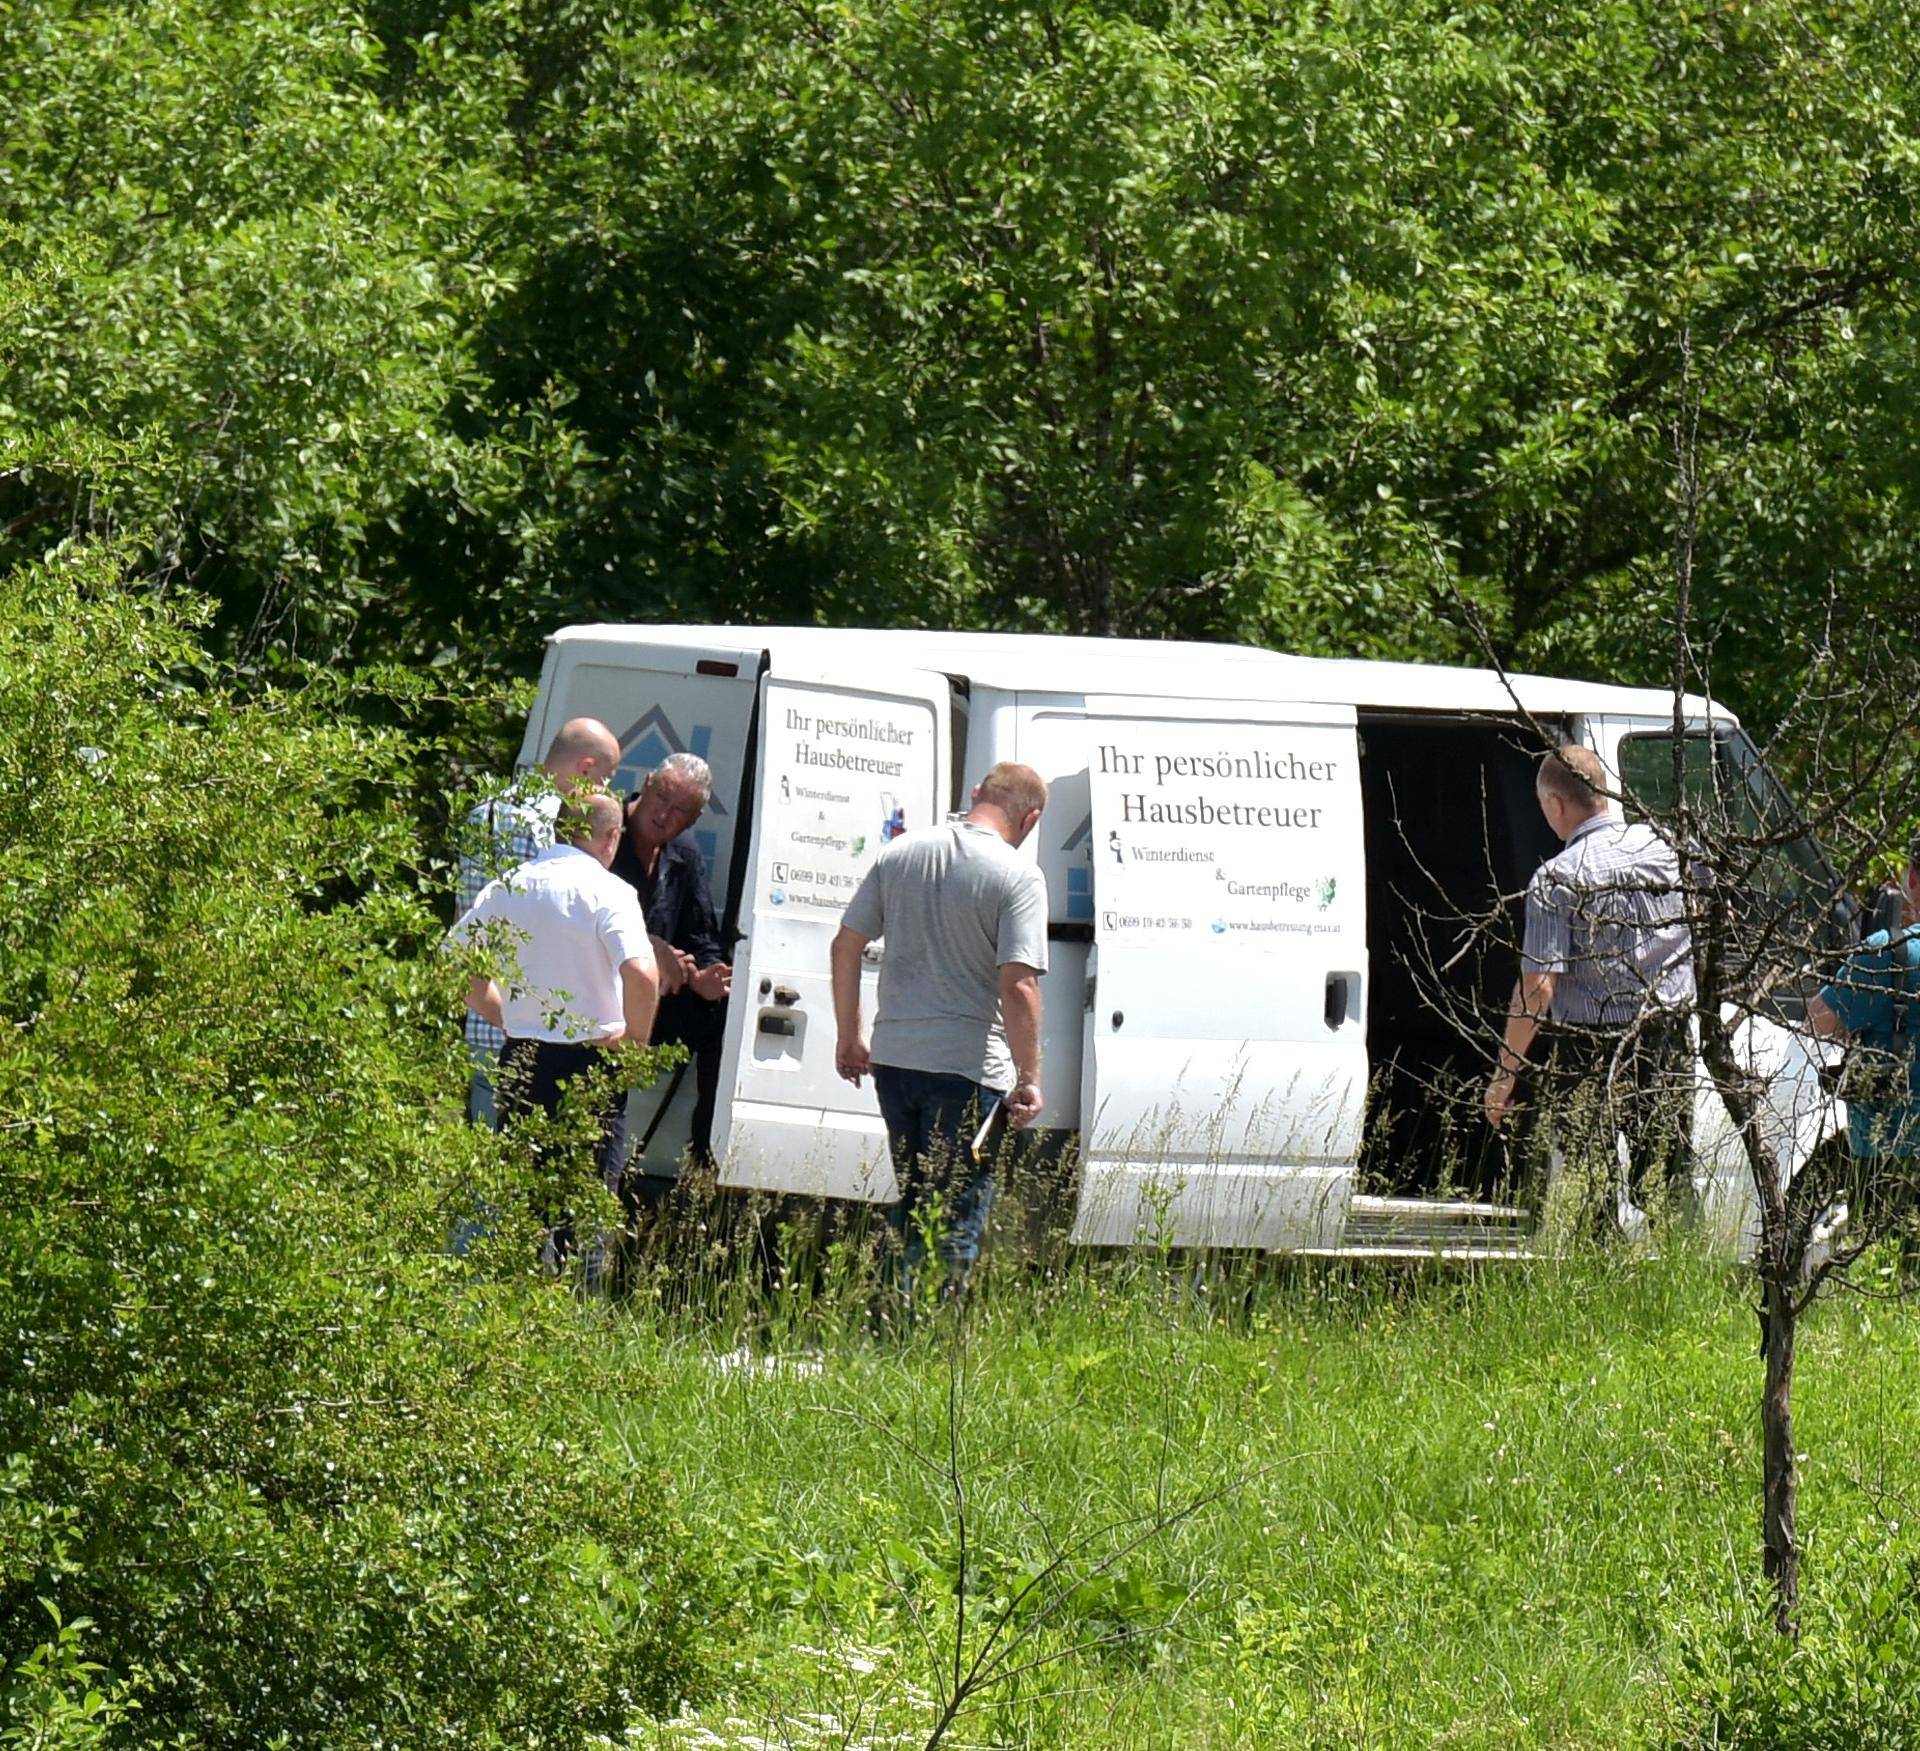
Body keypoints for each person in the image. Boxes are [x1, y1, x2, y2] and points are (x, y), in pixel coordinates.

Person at [830, 762, 1050, 1294]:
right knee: (955, 1215)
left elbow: (845, 945)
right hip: (967, 1069)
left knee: (914, 1201)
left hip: (895, 1060)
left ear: (976, 793)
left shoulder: (901, 852)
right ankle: (926, 1343)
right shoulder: (1017, 874)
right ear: (1032, 817)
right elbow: (1018, 985)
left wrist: (849, 1035)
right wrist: (1029, 1076)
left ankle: (891, 1320)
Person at [1485, 744, 1698, 1236]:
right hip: (1665, 1042)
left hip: (1588, 1050)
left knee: (1591, 1189)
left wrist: (1504, 1077)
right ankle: (1688, 1274)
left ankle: (1602, 1275)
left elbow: (1538, 989)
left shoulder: (1558, 879)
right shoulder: (1670, 851)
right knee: (1667, 1180)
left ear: (1555, 805)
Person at [453, 792, 659, 1257]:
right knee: (585, 1207)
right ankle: (575, 1312)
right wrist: (636, 1041)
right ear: (611, 838)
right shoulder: (609, 891)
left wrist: (503, 1015)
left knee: (523, 1202)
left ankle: (517, 1307)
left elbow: (455, 965)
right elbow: (643, 974)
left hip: (523, 1058)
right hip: (592, 1059)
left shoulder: (509, 886)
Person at [457, 717, 623, 1124]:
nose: (604, 792)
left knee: (485, 1163)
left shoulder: (486, 813)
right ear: (586, 769)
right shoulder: (561, 831)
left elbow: (464, 920)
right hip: (543, 1033)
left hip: (482, 1017)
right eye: (605, 779)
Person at [610, 753, 733, 1178]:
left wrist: (704, 976)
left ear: (694, 819)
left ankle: (705, 1158)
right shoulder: (605, 832)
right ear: (645, 784)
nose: (663, 813)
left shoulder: (684, 853)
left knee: (725, 1019)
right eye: (660, 796)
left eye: (679, 809)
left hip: (658, 998)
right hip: (600, 990)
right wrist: (649, 949)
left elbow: (701, 934)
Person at [1808, 841, 1920, 1237]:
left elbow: (1818, 1019)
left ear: (1912, 880)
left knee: (1884, 1269)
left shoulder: (1889, 952)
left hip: (1889, 1152)